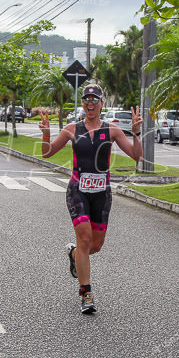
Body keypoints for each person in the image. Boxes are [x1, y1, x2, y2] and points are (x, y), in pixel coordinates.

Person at [39, 83, 142, 314]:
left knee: (95, 245)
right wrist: (46, 134)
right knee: (85, 238)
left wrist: (135, 133)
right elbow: (47, 152)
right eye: (86, 100)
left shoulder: (112, 130)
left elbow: (137, 155)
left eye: (95, 100)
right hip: (78, 189)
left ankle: (74, 254)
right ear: (82, 104)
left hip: (102, 192)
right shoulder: (71, 129)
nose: (90, 104)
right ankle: (86, 293)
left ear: (102, 103)